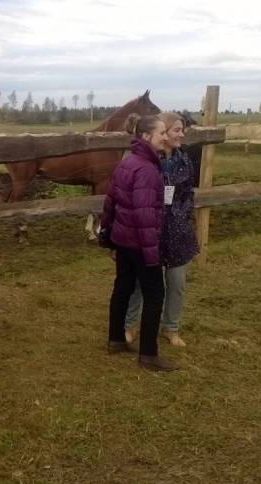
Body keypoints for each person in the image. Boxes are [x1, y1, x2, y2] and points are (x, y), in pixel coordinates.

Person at [100, 114, 177, 371]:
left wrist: (107, 234)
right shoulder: (146, 170)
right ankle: (148, 354)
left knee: (122, 286)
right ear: (146, 136)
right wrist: (152, 254)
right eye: (161, 133)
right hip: (139, 243)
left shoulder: (128, 161)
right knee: (156, 293)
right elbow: (145, 216)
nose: (165, 137)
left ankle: (115, 339)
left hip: (123, 239)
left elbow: (110, 200)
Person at [124, 112, 199, 348]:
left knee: (177, 283)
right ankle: (130, 325)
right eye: (177, 130)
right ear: (163, 133)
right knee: (140, 282)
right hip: (151, 231)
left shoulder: (184, 160)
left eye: (182, 129)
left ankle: (171, 328)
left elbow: (188, 193)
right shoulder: (146, 162)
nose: (181, 134)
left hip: (178, 232)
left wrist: (183, 217)